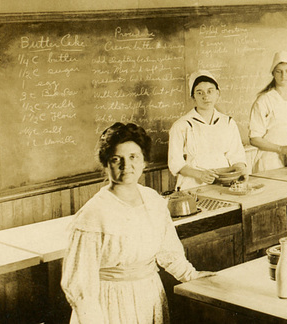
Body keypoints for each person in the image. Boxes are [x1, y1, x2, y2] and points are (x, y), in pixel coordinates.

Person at [61, 122, 214, 324]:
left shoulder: (153, 200)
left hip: (149, 296)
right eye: (117, 159)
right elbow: (78, 285)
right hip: (109, 304)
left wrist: (191, 275)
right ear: (106, 164)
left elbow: (168, 251)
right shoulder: (92, 215)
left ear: (144, 162)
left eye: (133, 157)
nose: (127, 166)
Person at [168, 70, 247, 190]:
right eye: (200, 93)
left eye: (210, 91)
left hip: (225, 184)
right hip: (193, 186)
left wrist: (241, 170)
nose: (206, 97)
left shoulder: (228, 123)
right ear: (193, 97)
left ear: (217, 94)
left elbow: (237, 157)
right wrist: (200, 175)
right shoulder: (181, 126)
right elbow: (176, 163)